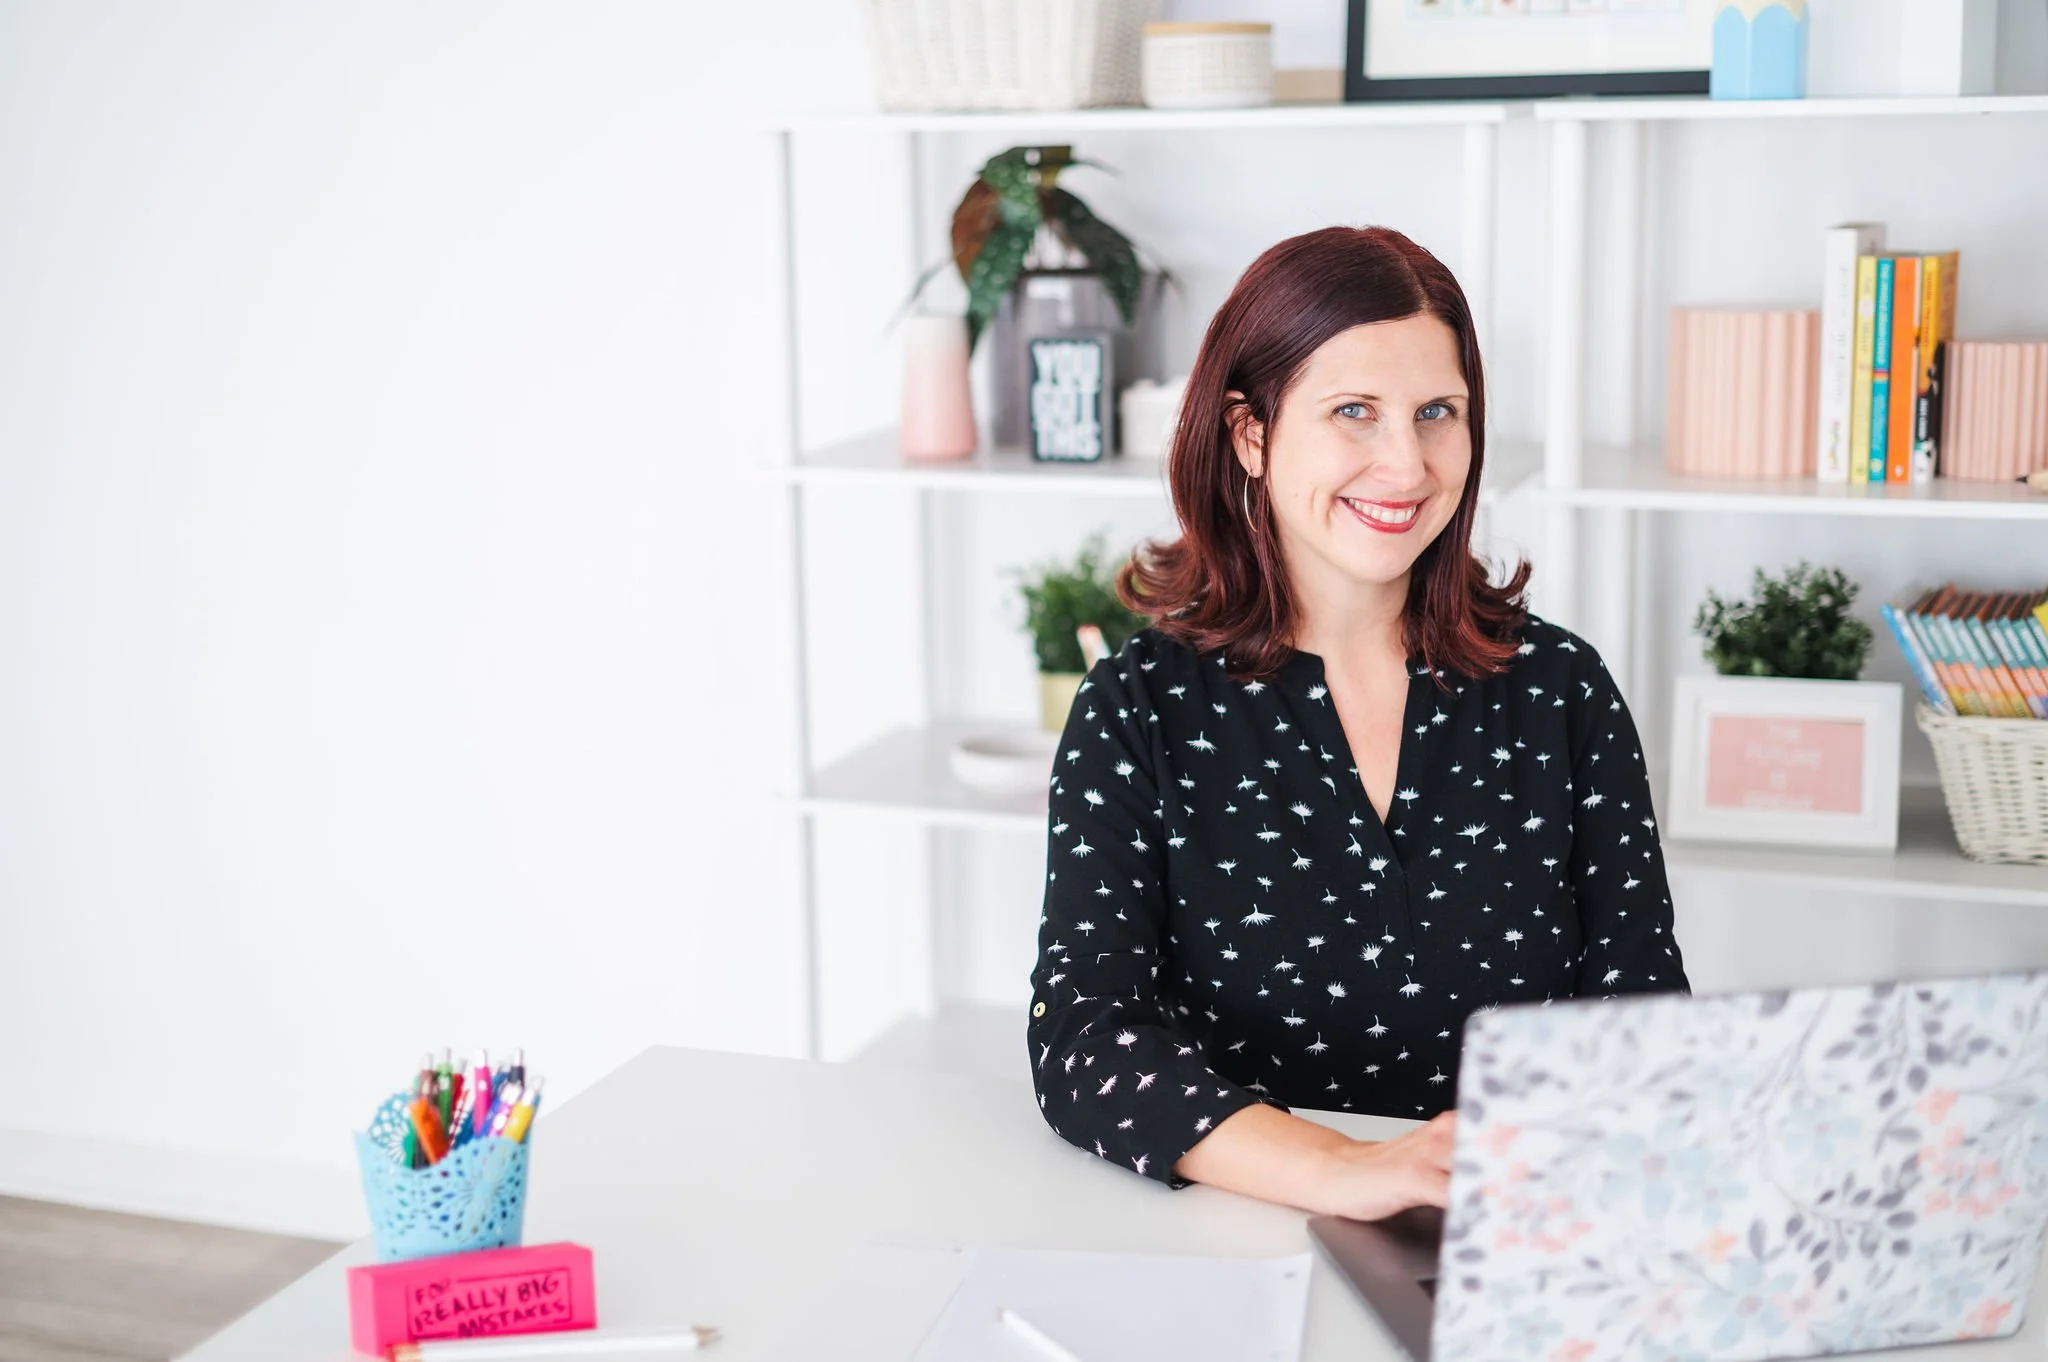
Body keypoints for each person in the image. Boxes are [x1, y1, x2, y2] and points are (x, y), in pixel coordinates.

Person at [1025, 225, 1688, 1221]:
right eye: (1352, 413)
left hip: (1513, 1226)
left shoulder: (1560, 691)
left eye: (1436, 412)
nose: (1406, 464)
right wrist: (1339, 1169)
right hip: (1235, 1225)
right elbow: (1082, 1040)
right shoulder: (1135, 708)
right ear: (1250, 435)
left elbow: (1644, 1024)